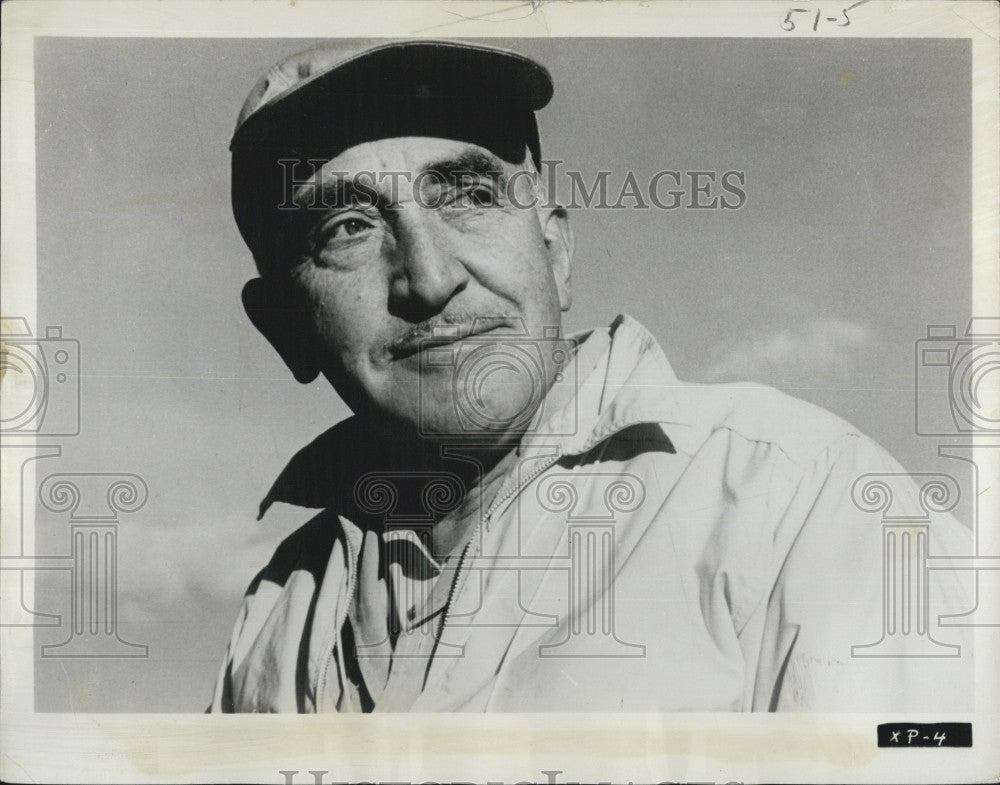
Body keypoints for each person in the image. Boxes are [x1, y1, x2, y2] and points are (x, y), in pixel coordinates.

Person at [211, 39, 972, 713]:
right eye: (347, 228)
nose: (430, 277)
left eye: (470, 196)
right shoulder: (279, 611)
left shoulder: (804, 502)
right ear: (283, 326)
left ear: (557, 253)